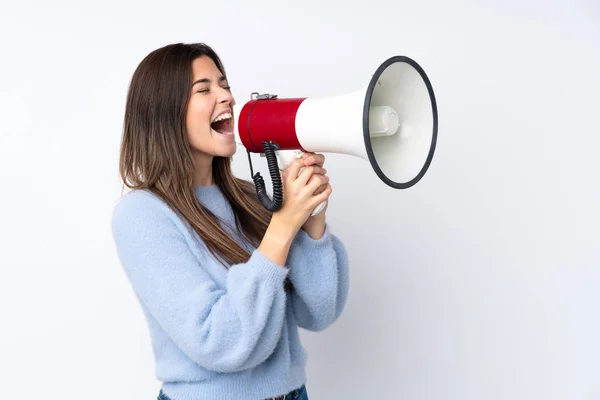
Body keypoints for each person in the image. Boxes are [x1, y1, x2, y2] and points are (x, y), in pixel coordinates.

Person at [110, 42, 350, 400]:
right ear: (165, 112)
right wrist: (282, 228)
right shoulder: (142, 215)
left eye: (224, 85)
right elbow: (220, 343)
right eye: (204, 89)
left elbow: (318, 313)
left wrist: (312, 220)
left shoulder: (252, 199)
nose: (227, 98)